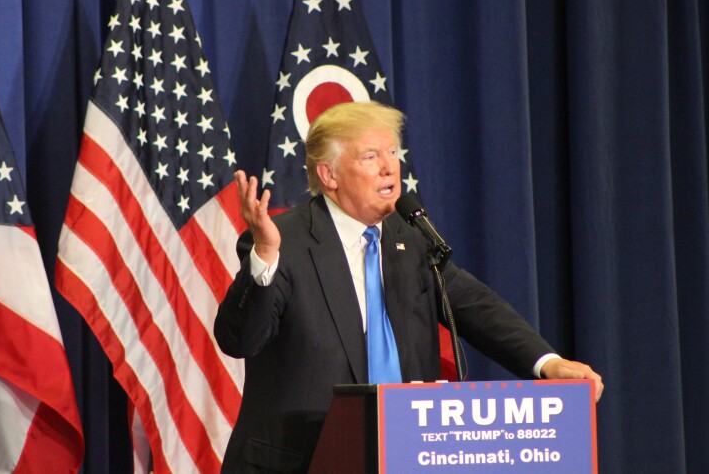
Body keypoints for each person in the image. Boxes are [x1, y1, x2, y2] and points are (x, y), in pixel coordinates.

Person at [214, 101, 603, 473]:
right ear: (329, 175)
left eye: (392, 153)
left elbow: (476, 306)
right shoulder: (283, 240)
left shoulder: (411, 236)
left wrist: (548, 364)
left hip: (403, 455)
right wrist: (264, 254)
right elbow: (239, 339)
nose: (390, 168)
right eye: (370, 157)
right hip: (301, 461)